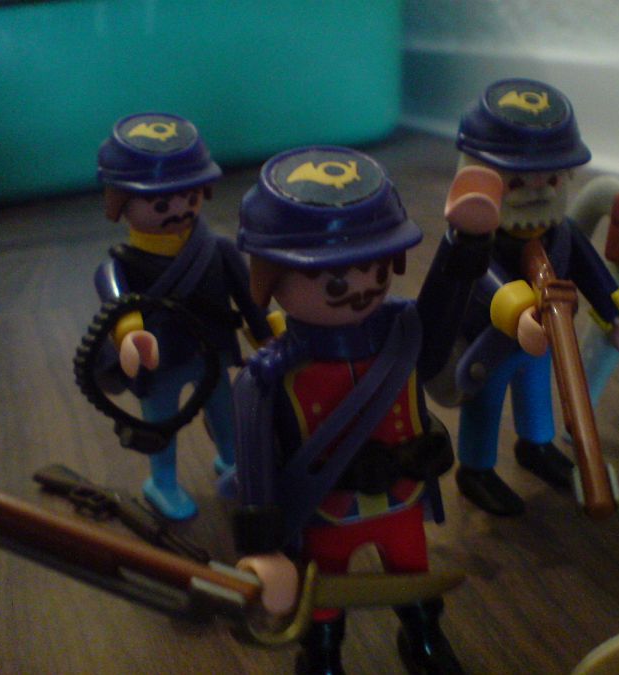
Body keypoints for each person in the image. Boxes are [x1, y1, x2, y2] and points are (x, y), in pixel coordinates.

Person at [230, 146, 496, 674]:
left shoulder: (401, 333)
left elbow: (438, 327)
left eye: (374, 270)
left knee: (413, 573)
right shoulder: (270, 374)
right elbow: (254, 463)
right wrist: (264, 548)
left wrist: (464, 245)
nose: (359, 291)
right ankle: (323, 655)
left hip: (401, 499)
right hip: (324, 507)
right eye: (334, 281)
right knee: (323, 593)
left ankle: (423, 638)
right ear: (271, 276)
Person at [439, 79, 619, 516]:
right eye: (518, 181)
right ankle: (476, 469)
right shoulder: (476, 241)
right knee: (485, 405)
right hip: (489, 344)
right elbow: (484, 279)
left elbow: (595, 275)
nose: (538, 190)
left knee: (538, 395)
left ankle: (535, 446)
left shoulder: (561, 233)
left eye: (552, 179)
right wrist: (519, 312)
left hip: (543, 341)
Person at [93, 113, 271, 519]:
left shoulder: (217, 250)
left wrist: (267, 337)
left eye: (189, 198)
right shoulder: (120, 265)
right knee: (161, 428)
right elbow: (119, 306)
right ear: (120, 202)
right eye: (160, 203)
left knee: (226, 416)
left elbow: (250, 300)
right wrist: (131, 336)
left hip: (214, 352)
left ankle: (233, 462)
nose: (178, 210)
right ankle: (163, 482)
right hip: (161, 363)